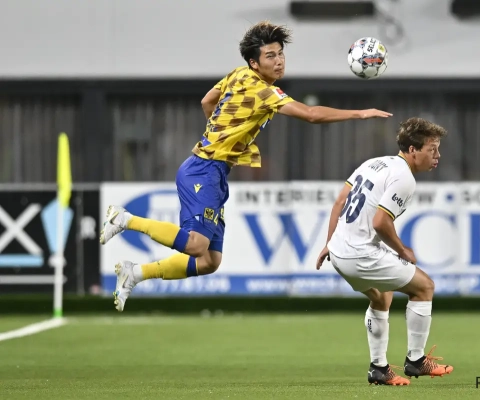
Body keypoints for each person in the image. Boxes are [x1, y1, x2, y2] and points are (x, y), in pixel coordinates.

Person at [99, 21, 392, 312]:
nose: (279, 61)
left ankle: (135, 273)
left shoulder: (238, 74)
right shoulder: (264, 92)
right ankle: (125, 219)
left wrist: (223, 131)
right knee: (196, 245)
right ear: (254, 63)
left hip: (213, 171)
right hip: (203, 170)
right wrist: (360, 113)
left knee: (210, 261)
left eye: (280, 54)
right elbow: (311, 114)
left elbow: (207, 100)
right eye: (270, 56)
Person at [316, 117, 453, 386]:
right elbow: (380, 222)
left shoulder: (374, 163)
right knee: (424, 287)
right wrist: (403, 250)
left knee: (381, 296)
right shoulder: (404, 178)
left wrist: (328, 243)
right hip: (360, 254)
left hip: (340, 252)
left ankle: (378, 368)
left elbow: (340, 201)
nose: (437, 155)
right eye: (432, 149)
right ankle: (416, 360)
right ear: (413, 150)